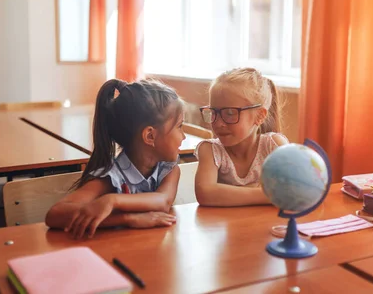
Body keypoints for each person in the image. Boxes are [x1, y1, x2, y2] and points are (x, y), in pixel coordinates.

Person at [45, 79, 186, 239]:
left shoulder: (168, 169)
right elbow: (54, 214)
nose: (184, 136)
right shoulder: (111, 178)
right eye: (179, 126)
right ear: (150, 135)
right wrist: (126, 219)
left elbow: (163, 201)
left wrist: (112, 200)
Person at [194, 68, 289, 207]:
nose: (218, 123)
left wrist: (230, 193)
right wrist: (269, 194)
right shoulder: (210, 150)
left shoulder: (274, 145)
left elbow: (292, 190)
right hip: (221, 227)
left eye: (230, 113)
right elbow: (205, 193)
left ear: (260, 116)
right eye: (214, 112)